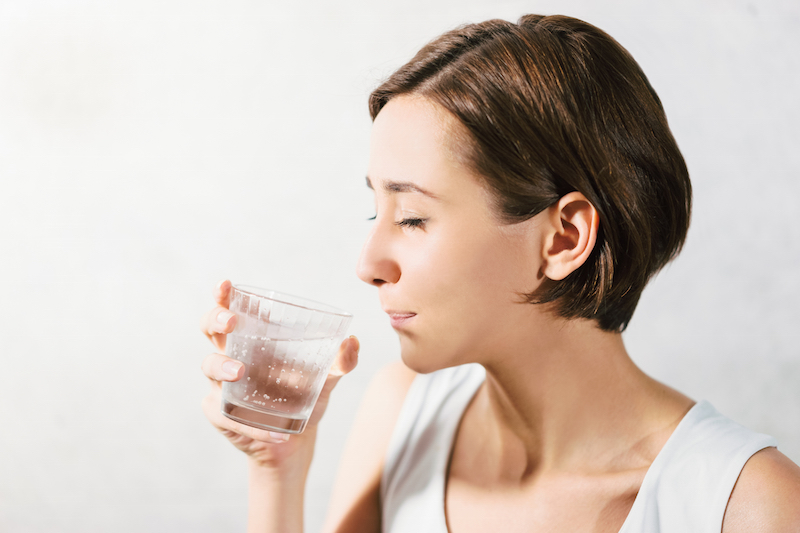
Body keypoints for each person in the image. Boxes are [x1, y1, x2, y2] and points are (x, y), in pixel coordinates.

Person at [200, 14, 800, 533]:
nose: (367, 264)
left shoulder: (748, 505)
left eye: (411, 218)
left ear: (565, 237)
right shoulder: (401, 415)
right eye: (373, 208)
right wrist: (276, 468)